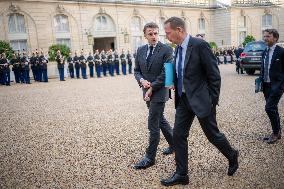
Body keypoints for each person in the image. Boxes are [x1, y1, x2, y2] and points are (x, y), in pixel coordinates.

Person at [161, 17, 239, 186]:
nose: (166, 36)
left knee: (212, 135)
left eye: (168, 32)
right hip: (183, 100)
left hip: (202, 100)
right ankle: (182, 174)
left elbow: (214, 75)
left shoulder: (199, 45)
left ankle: (232, 155)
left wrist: (212, 100)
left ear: (179, 30)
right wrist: (173, 81)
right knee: (178, 135)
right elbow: (182, 70)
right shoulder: (177, 49)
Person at [133, 22, 174, 170]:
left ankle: (150, 157)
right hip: (146, 91)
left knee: (153, 124)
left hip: (159, 92)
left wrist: (152, 88)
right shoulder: (140, 50)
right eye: (150, 34)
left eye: (156, 33)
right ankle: (174, 144)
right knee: (160, 119)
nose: (154, 36)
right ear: (145, 35)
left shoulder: (167, 50)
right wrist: (141, 80)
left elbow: (167, 73)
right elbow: (136, 70)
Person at [261, 29, 284, 144]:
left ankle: (275, 133)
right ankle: (277, 132)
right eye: (264, 36)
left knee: (269, 108)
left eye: (268, 36)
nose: (265, 38)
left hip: (277, 86)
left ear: (275, 38)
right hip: (266, 85)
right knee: (273, 108)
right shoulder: (264, 51)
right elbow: (263, 68)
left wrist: (281, 85)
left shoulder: (281, 52)